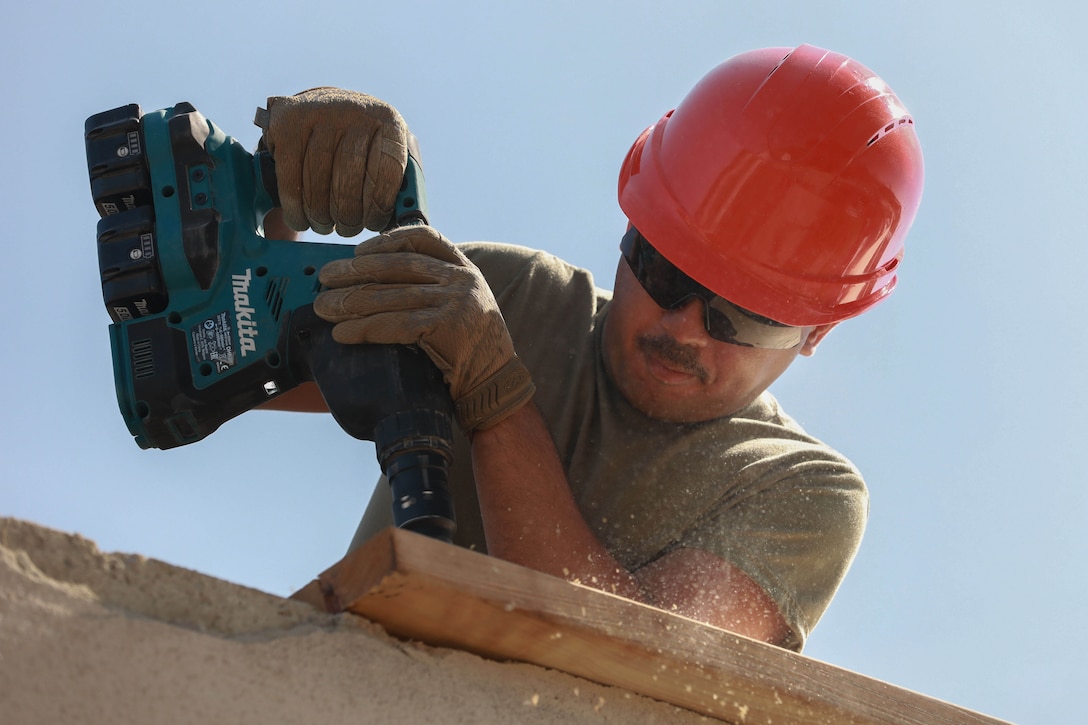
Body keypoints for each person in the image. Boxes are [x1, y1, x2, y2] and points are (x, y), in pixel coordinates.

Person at [260, 44, 924, 652]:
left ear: (816, 332)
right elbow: (236, 363)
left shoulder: (799, 492)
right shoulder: (509, 298)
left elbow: (622, 657)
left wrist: (496, 396)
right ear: (633, 225)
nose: (684, 326)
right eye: (664, 273)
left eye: (737, 317)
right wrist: (282, 189)